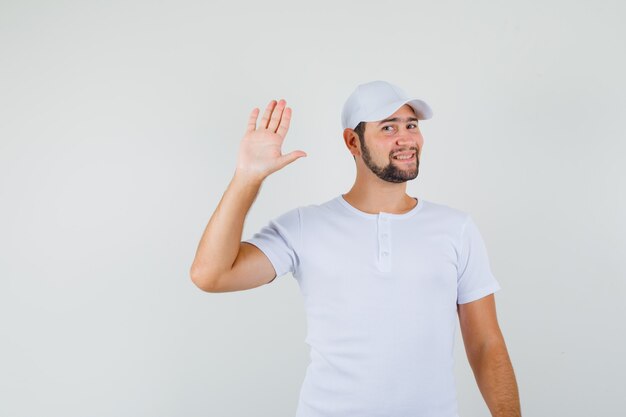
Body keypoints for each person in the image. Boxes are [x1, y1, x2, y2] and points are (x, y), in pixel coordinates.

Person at [190, 80, 521, 417]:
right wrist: (248, 178)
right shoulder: (306, 226)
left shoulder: (456, 228)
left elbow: (485, 344)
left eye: (411, 125)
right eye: (388, 127)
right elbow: (211, 275)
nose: (405, 138)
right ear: (352, 141)